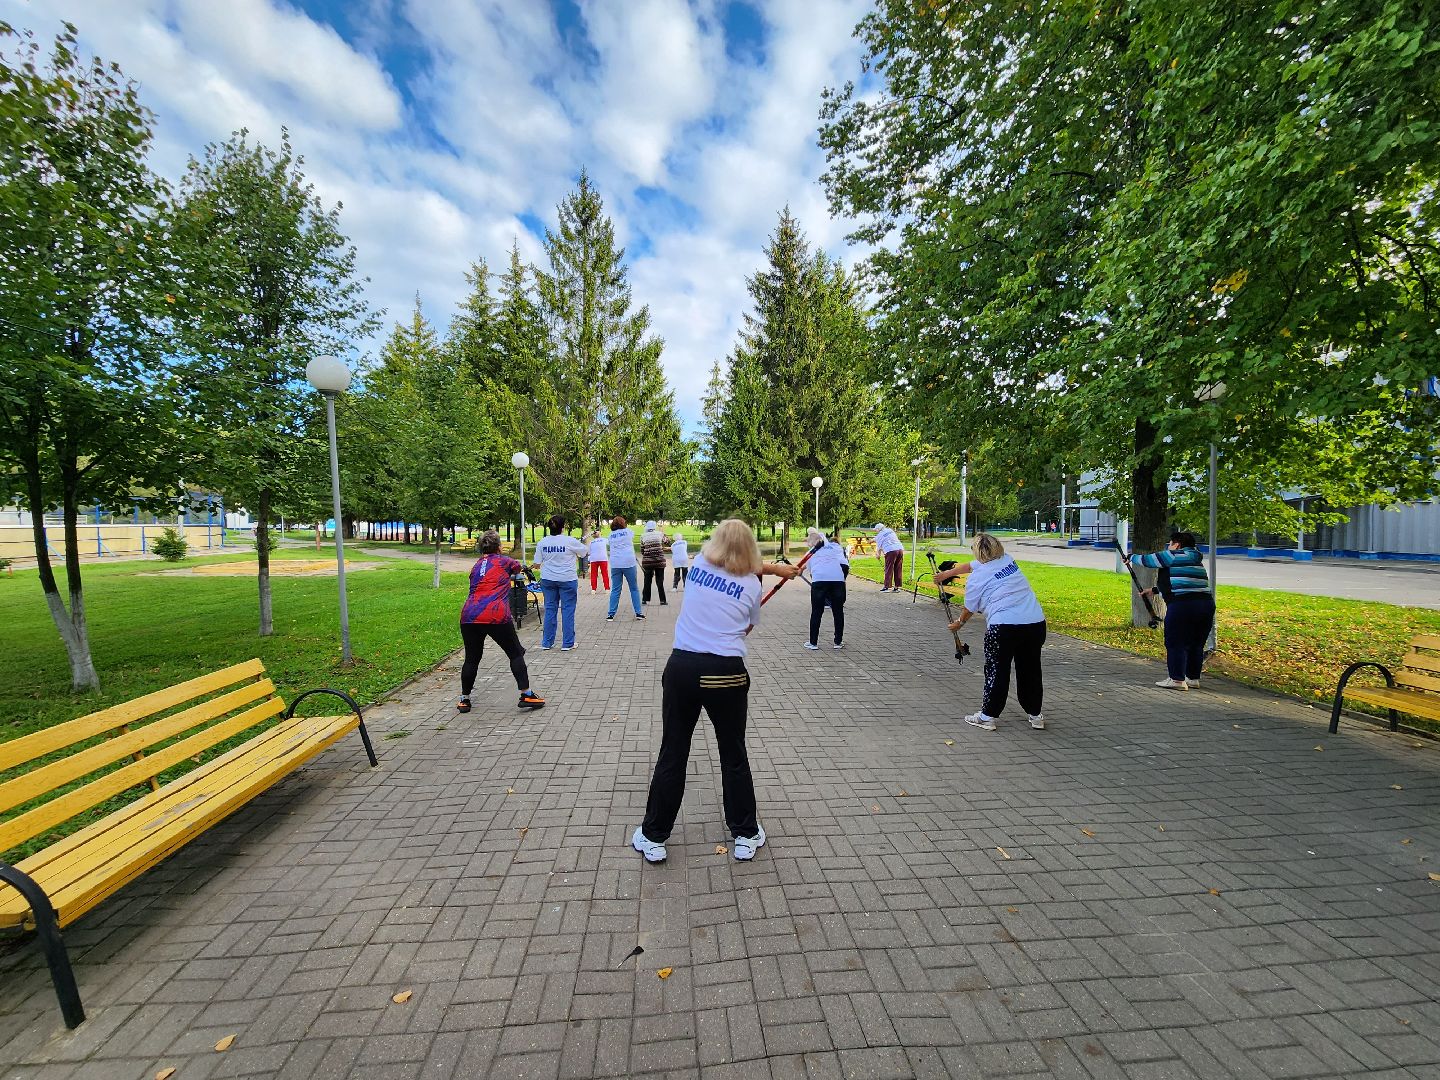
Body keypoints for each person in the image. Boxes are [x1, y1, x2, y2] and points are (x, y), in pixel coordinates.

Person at [631, 519, 800, 864]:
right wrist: (778, 570)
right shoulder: (753, 585)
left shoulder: (697, 566)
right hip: (726, 674)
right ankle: (746, 833)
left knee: (673, 752)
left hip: (683, 669)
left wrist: (777, 570)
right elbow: (748, 625)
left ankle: (653, 836)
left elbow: (737, 564)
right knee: (733, 754)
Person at [934, 532, 1046, 731]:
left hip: (1004, 628)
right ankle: (1035, 715)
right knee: (1030, 669)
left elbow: (970, 607)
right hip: (1035, 623)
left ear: (978, 552)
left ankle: (987, 717)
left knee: (997, 671)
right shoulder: (1007, 560)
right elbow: (970, 565)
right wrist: (945, 575)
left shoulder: (978, 578)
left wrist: (959, 623)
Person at [457, 530, 545, 713]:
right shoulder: (505, 561)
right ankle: (526, 694)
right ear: (499, 546)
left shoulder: (476, 565)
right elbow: (518, 568)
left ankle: (464, 699)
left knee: (472, 658)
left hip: (469, 615)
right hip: (495, 614)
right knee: (515, 653)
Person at [1126, 530, 1214, 690]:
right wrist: (1154, 590)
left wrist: (1130, 557)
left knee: (1175, 641)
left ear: (1177, 544)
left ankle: (1177, 680)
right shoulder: (1195, 558)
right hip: (1205, 605)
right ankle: (1192, 678)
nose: (1168, 547)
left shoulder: (1175, 555)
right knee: (1196, 643)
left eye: (1170, 544)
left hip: (1183, 605)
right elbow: (1182, 581)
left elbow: (1148, 560)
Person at [535, 514, 588, 651]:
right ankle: (567, 643)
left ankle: (547, 642)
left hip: (548, 579)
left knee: (550, 610)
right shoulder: (569, 541)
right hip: (567, 579)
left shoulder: (543, 542)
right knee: (568, 610)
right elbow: (584, 552)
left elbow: (537, 563)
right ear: (563, 527)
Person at [802, 527, 848, 651]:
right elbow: (842, 562)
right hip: (838, 580)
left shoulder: (811, 552)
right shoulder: (833, 548)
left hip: (820, 580)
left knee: (817, 611)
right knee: (838, 611)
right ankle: (838, 642)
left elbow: (809, 570)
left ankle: (813, 643)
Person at [606, 515, 644, 620]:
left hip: (615, 564)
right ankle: (638, 612)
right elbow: (630, 536)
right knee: (634, 588)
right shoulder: (629, 532)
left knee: (615, 589)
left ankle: (611, 614)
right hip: (629, 562)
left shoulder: (610, 535)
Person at [641, 520, 669, 606]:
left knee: (647, 580)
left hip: (648, 562)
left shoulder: (643, 536)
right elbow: (667, 542)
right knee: (660, 581)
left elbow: (642, 550)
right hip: (659, 561)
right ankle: (663, 600)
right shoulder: (660, 534)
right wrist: (664, 534)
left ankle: (645, 600)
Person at [874, 522, 905, 592]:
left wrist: (878, 555)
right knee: (898, 568)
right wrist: (872, 540)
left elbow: (878, 547)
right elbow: (885, 538)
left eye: (876, 530)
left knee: (888, 568)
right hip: (900, 549)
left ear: (878, 529)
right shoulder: (890, 530)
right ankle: (897, 587)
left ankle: (887, 587)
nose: (875, 531)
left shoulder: (879, 535)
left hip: (891, 551)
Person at [587, 529, 609, 594]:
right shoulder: (604, 540)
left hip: (594, 559)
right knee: (605, 573)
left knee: (593, 574)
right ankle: (607, 588)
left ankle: (593, 589)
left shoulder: (591, 542)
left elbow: (589, 552)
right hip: (603, 558)